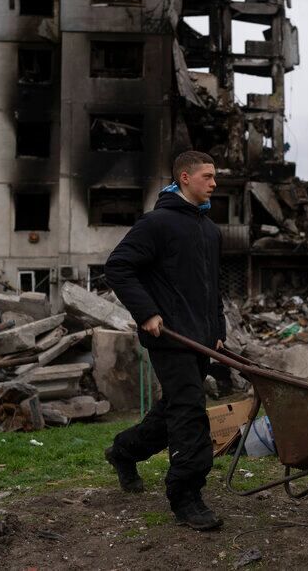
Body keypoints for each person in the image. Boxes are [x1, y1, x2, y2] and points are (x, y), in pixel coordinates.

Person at [102, 150, 226, 531]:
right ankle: (186, 495)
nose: (214, 182)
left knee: (171, 410)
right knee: (190, 412)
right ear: (185, 178)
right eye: (207, 176)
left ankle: (123, 452)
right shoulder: (157, 224)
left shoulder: (209, 230)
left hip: (201, 340)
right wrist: (147, 312)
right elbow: (118, 267)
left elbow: (211, 289)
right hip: (169, 338)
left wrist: (217, 331)